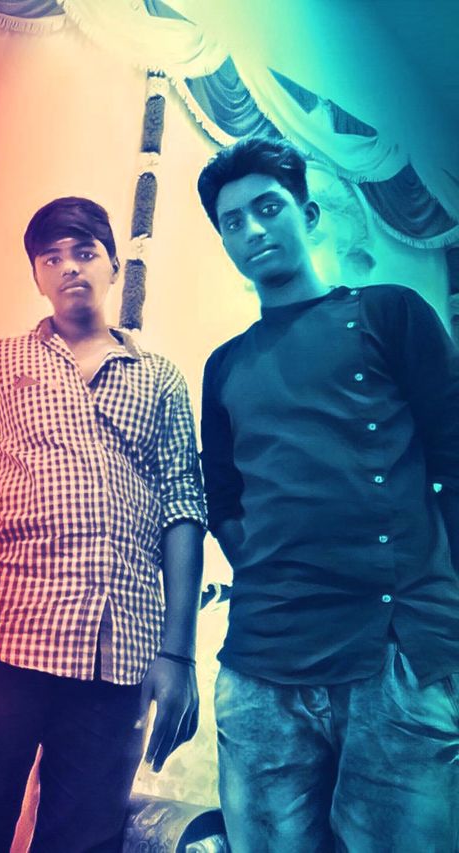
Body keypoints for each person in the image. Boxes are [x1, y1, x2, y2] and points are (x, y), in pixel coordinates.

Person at [197, 137, 459, 852]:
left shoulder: (390, 314)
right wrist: (274, 569)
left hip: (395, 658)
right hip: (261, 665)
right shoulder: (224, 366)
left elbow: (451, 458)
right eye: (232, 222)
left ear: (308, 215)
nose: (252, 230)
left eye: (268, 208)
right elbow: (223, 499)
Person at [0, 197, 206, 853]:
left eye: (84, 252)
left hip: (118, 653)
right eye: (50, 258)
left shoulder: (160, 379)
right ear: (36, 276)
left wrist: (177, 654)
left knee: (84, 841)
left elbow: (184, 507)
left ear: (113, 266)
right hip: (2, 635)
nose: (69, 268)